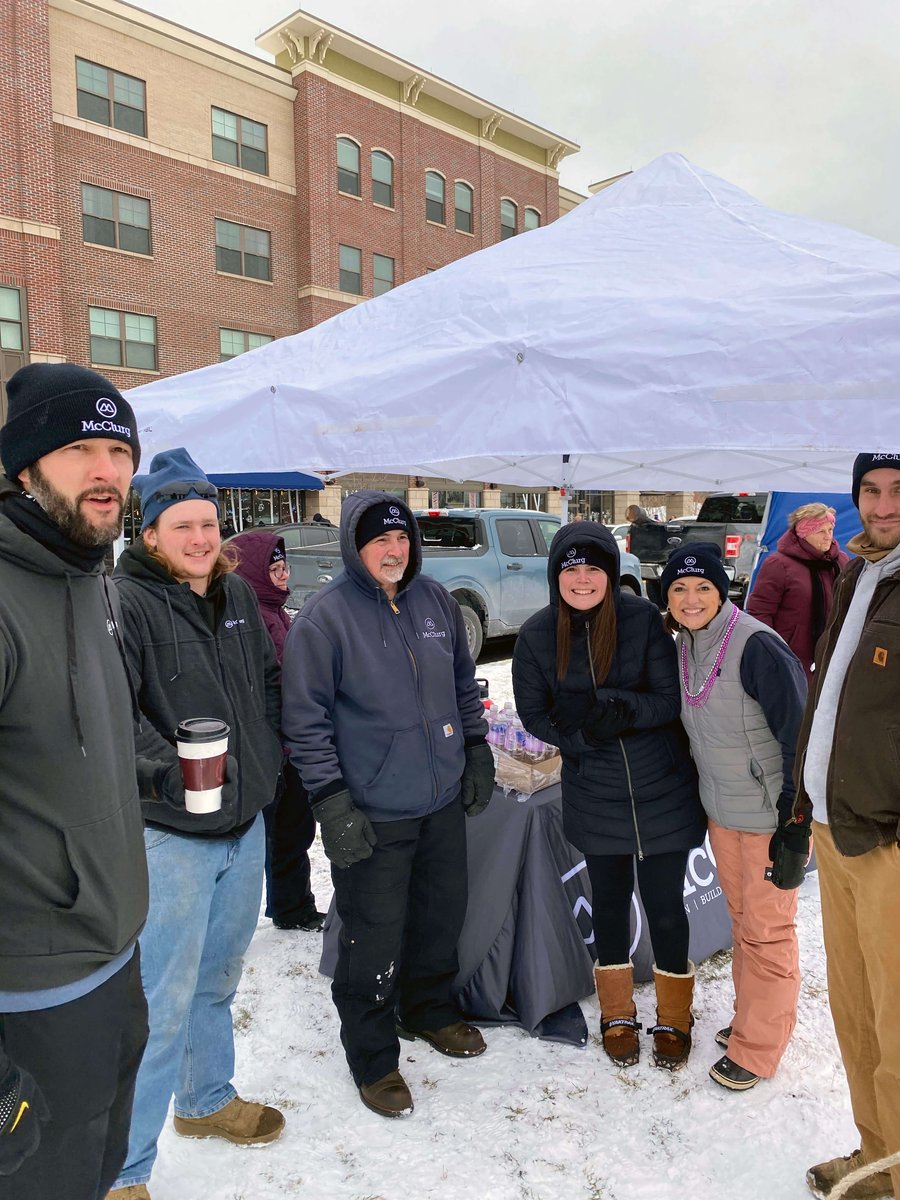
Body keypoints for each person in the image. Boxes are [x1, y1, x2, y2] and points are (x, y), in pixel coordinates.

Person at [281, 491, 494, 1119]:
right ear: (355, 545)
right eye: (379, 540)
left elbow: (462, 682)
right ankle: (372, 1055)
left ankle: (427, 1008)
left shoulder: (435, 603)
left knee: (440, 913)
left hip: (439, 799)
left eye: (401, 539)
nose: (393, 551)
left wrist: (475, 748)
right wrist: (331, 802)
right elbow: (305, 722)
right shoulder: (325, 618)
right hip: (371, 807)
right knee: (372, 935)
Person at [108, 448, 285, 1200]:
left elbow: (269, 684)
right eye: (181, 525)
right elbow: (118, 717)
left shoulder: (238, 596)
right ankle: (123, 1171)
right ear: (149, 533)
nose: (198, 537)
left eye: (208, 523)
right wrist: (178, 779)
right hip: (171, 836)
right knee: (160, 999)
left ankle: (206, 1099)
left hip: (243, 828)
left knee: (217, 979)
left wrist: (267, 759)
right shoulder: (124, 602)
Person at [0, 363, 148, 1199]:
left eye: (119, 451)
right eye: (80, 448)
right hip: (29, 1000)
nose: (107, 472)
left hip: (111, 961)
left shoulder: (87, 575)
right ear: (25, 467)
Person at [512, 522, 706, 1072]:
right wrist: (581, 737)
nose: (582, 578)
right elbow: (534, 714)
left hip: (661, 788)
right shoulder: (536, 635)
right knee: (610, 903)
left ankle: (675, 1013)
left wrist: (622, 708)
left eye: (593, 567)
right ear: (556, 576)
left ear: (611, 572)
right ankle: (617, 1012)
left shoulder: (642, 619)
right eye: (570, 569)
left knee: (667, 906)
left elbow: (669, 700)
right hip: (594, 791)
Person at [661, 543, 807, 1092]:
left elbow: (800, 737)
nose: (691, 598)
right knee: (744, 924)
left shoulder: (758, 647)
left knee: (768, 932)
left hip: (773, 817)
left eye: (702, 588)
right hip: (723, 813)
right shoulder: (685, 645)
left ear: (722, 591)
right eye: (678, 588)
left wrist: (796, 821)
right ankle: (752, 1021)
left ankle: (759, 1048)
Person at [796, 453, 900, 1200]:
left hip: (888, 837)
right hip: (835, 828)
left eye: (899, 491)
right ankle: (879, 1155)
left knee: (897, 1019)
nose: (884, 503)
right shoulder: (858, 570)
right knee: (856, 1010)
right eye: (871, 489)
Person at [227, 530, 325, 931]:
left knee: (293, 832)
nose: (284, 576)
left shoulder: (275, 610)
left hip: (291, 745)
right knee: (266, 839)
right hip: (268, 749)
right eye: (275, 569)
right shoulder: (248, 616)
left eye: (285, 568)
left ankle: (292, 906)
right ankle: (252, 916)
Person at [746, 502, 850, 679]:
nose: (828, 537)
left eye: (830, 530)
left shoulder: (841, 561)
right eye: (820, 531)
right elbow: (760, 613)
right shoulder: (778, 564)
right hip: (791, 658)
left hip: (833, 654)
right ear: (804, 534)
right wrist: (772, 652)